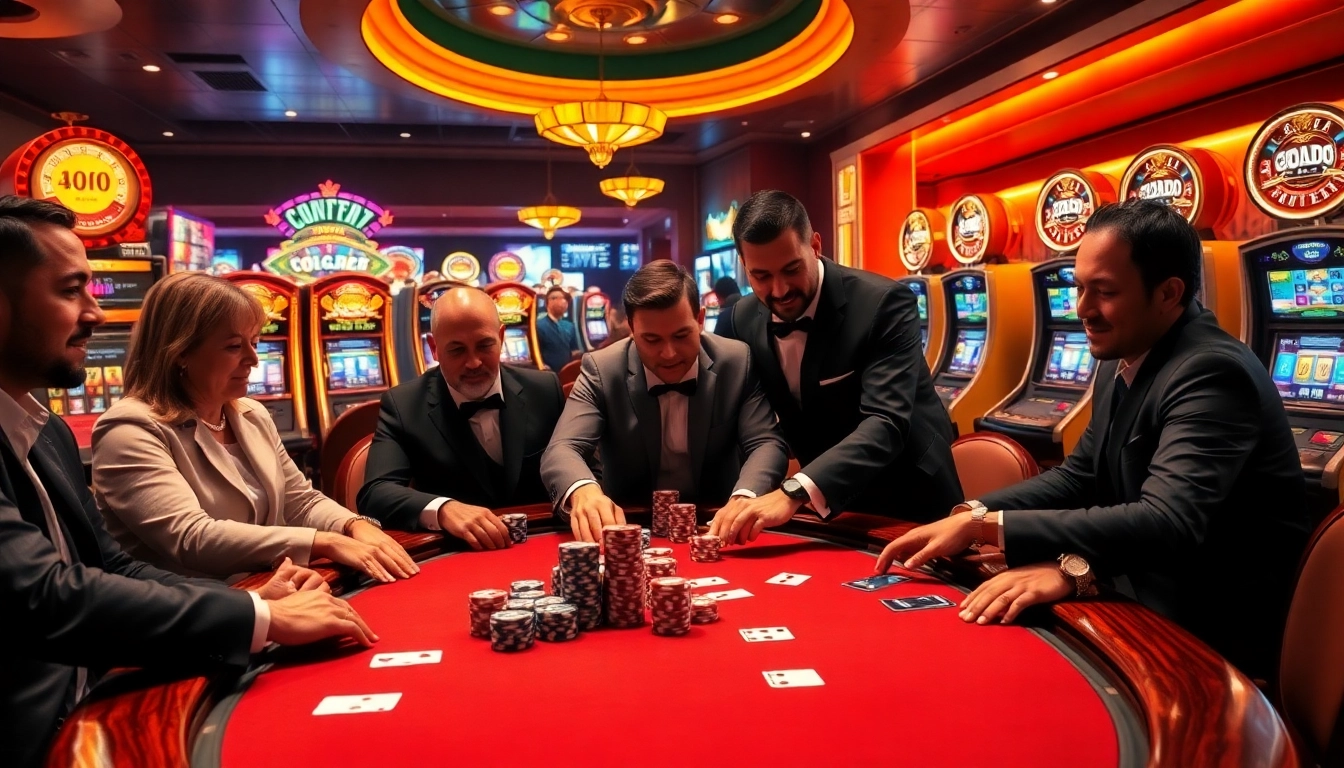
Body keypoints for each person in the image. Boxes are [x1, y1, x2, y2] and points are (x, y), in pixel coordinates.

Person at [0, 196, 377, 768]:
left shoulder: (43, 428)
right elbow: (46, 598)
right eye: (69, 290)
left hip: (117, 677)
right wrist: (261, 616)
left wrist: (243, 600)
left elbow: (107, 567)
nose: (96, 314)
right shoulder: (126, 426)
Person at [874, 199, 1308, 680]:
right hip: (1147, 583)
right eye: (1079, 288)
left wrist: (1063, 566)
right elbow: (1081, 476)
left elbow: (1168, 522)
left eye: (1104, 291)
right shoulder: (1124, 355)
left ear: (1168, 293)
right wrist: (974, 514)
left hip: (1215, 627)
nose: (1083, 311)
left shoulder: (1211, 371)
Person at [92, 272, 418, 584]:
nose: (254, 359)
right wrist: (324, 542)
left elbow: (300, 501)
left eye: (255, 342)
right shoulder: (130, 429)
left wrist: (353, 524)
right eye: (234, 346)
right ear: (180, 353)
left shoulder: (250, 414)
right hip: (191, 615)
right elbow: (191, 537)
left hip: (269, 589)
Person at [710, 190, 961, 545]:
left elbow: (886, 423)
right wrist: (745, 494)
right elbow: (741, 423)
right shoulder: (739, 319)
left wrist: (794, 491)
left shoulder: (884, 303)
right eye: (761, 276)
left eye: (791, 269)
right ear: (743, 264)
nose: (779, 290)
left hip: (910, 501)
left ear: (815, 245)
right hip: (826, 512)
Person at [542, 260, 789, 543]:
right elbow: (562, 447)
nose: (669, 353)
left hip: (718, 524)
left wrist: (745, 497)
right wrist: (583, 490)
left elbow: (766, 443)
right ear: (632, 329)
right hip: (630, 526)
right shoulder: (602, 368)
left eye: (681, 335)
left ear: (700, 319)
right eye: (652, 340)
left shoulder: (736, 361)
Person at [358, 285, 565, 548]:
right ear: (434, 348)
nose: (474, 362)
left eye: (484, 345)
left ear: (501, 337)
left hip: (540, 544)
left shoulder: (545, 390)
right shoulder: (403, 405)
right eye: (457, 350)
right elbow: (375, 493)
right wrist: (443, 509)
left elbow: (583, 465)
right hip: (454, 554)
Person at [536, 285, 580, 373]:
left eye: (566, 299)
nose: (565, 302)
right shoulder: (539, 326)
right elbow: (536, 355)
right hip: (548, 376)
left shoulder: (569, 325)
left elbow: (574, 350)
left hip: (567, 374)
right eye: (561, 298)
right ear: (549, 301)